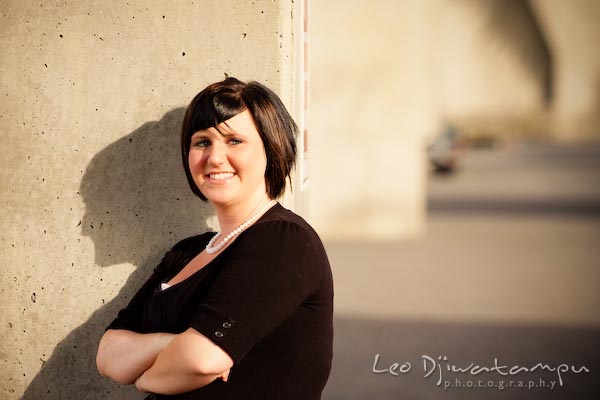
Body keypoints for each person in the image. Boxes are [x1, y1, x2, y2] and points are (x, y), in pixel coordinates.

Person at [95, 77, 334, 399]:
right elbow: (109, 356)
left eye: (234, 141)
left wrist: (145, 379)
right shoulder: (186, 252)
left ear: (271, 147)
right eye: (202, 142)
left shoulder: (284, 241)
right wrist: (172, 344)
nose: (215, 158)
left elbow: (201, 361)